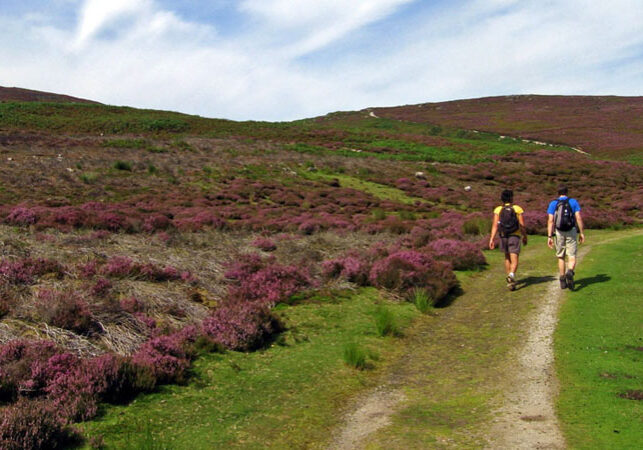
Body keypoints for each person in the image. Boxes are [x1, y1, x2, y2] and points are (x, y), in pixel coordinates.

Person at [547, 185, 585, 290]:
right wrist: (581, 232)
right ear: (567, 192)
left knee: (561, 256)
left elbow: (550, 220)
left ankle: (562, 279)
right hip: (571, 231)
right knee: (572, 255)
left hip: (559, 232)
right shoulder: (573, 202)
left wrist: (549, 236)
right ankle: (570, 271)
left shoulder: (553, 203)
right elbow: (578, 217)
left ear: (558, 193)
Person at [489, 189, 528, 290]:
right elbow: (522, 225)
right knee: (514, 258)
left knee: (507, 257)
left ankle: (510, 282)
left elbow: (494, 225)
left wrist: (491, 239)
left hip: (503, 236)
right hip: (514, 235)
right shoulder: (517, 209)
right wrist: (525, 236)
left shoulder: (498, 210)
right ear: (511, 198)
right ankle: (511, 275)